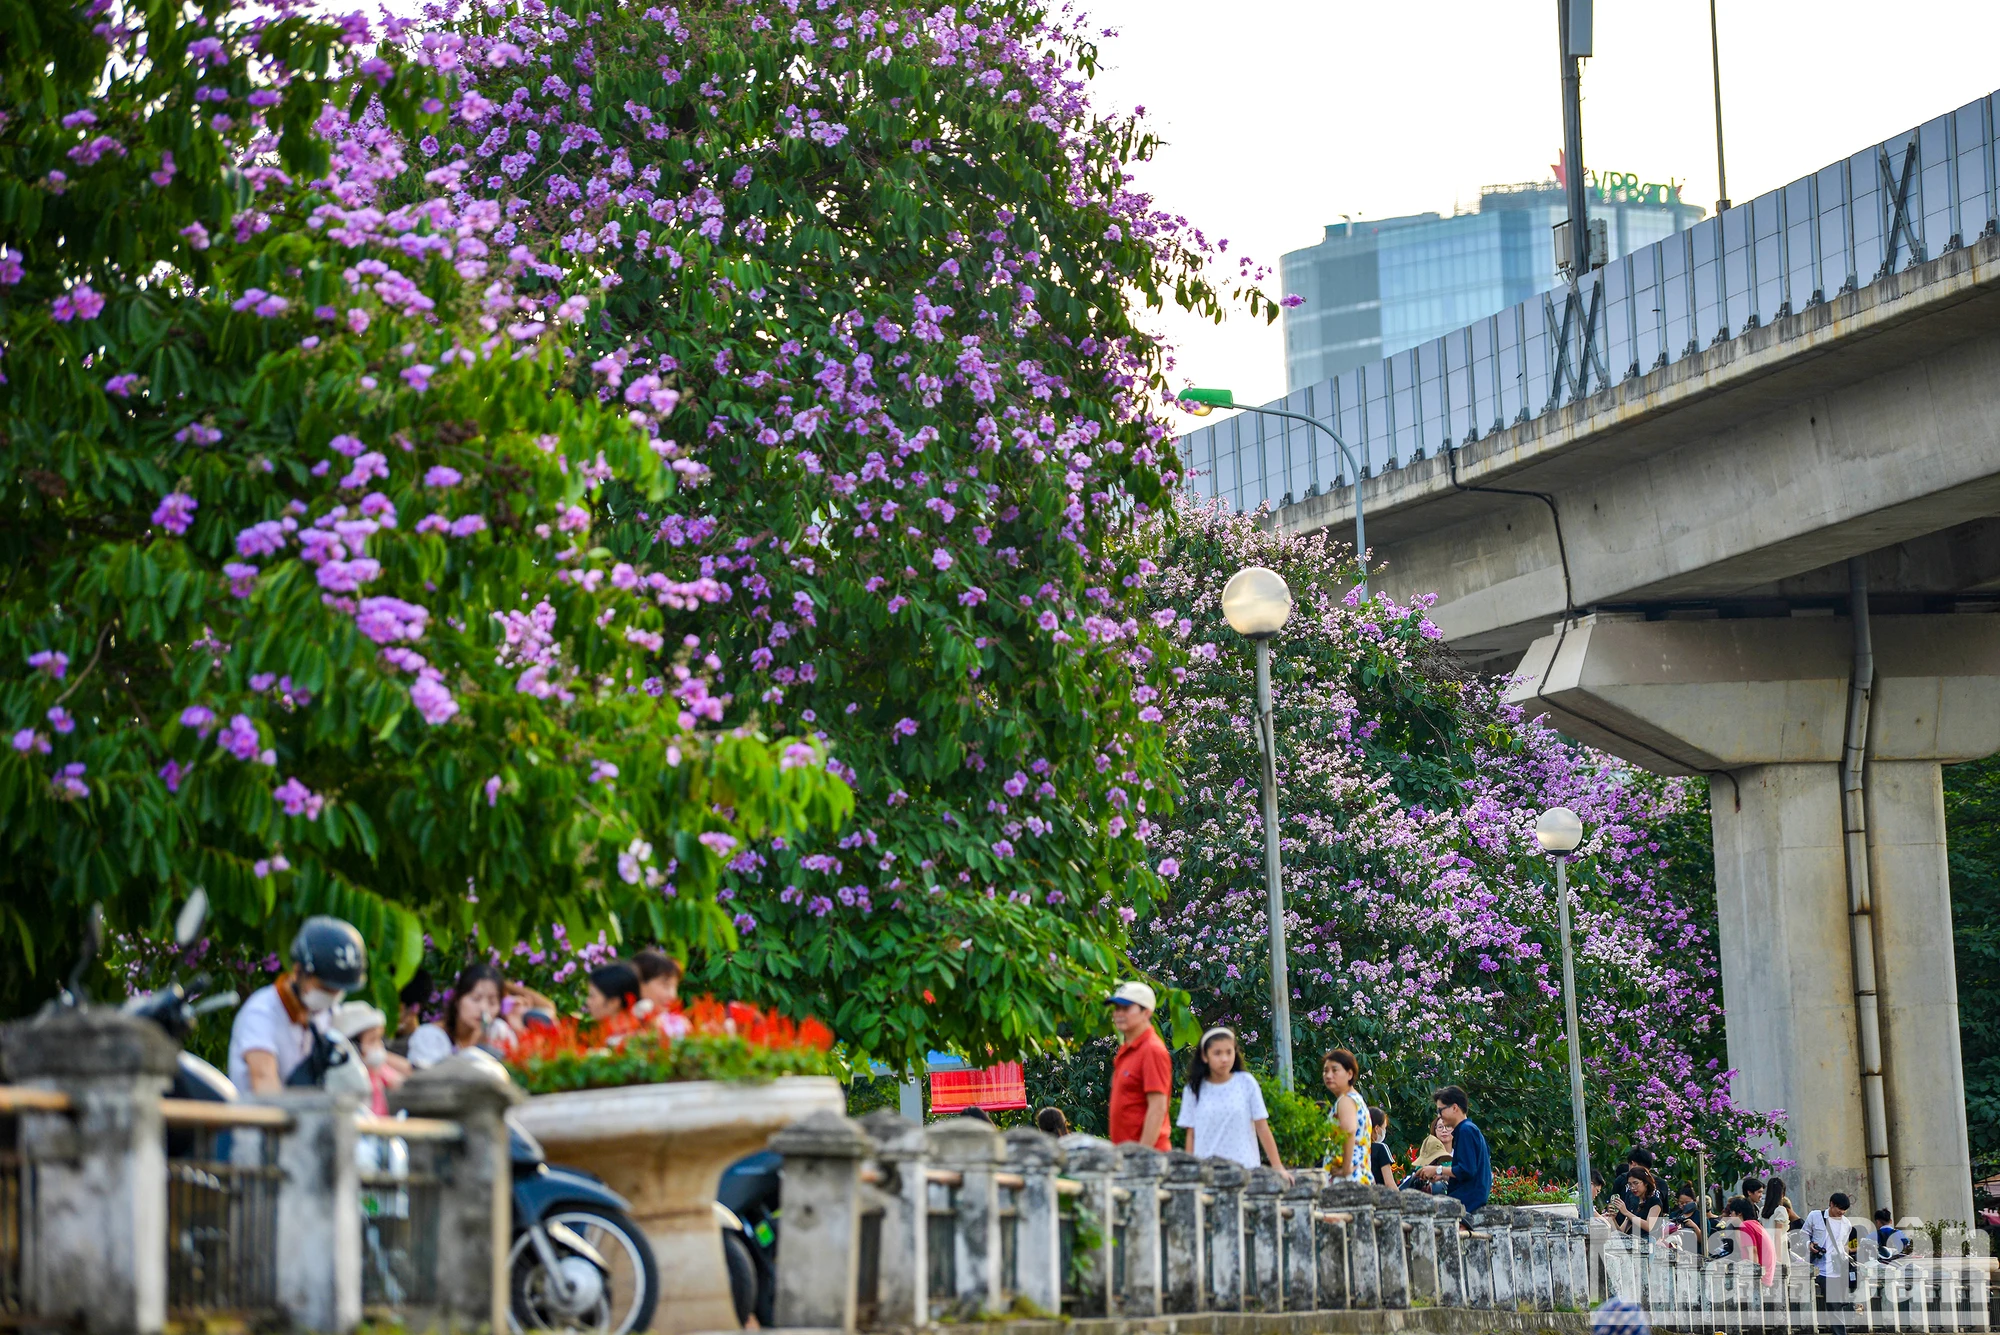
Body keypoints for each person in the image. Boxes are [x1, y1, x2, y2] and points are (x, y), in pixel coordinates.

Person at [227, 917, 366, 1094]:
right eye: (325, 988)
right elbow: (266, 1090)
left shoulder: (324, 1013)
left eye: (337, 991)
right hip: (264, 1120)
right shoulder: (261, 1014)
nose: (331, 997)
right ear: (298, 971)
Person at [1175, 1026, 1289, 1179]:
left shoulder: (1246, 1083)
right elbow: (1191, 1134)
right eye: (1217, 1053)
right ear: (1204, 1056)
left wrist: (1277, 1167)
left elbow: (1262, 1127)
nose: (1224, 1059)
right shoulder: (1193, 1089)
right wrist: (1189, 1173)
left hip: (1245, 1173)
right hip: (1207, 1175)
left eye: (1229, 1052)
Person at [1105, 981, 1172, 1151]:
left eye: (1126, 1009)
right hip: (1125, 1154)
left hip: (1145, 1157)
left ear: (1146, 1012)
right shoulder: (1127, 1048)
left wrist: (1141, 1155)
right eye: (1116, 1008)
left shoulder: (1152, 1050)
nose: (1119, 1014)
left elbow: (1158, 1107)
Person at [407, 962, 512, 1068]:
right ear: (457, 999)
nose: (483, 1008)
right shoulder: (431, 1037)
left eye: (492, 1002)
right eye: (476, 999)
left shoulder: (498, 1032)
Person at [1420, 1084, 1490, 1214]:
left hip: (1467, 1201)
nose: (1439, 1115)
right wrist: (1443, 1177)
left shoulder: (1466, 1130)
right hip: (1471, 1197)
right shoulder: (1468, 1129)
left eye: (1440, 1110)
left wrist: (1437, 1169)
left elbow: (1466, 1170)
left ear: (1454, 1107)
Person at [330, 1001, 406, 1115]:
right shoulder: (343, 1076)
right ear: (353, 1045)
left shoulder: (377, 1070)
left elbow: (401, 1082)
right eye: (372, 1040)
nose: (379, 1046)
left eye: (379, 1039)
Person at [1319, 1049, 1372, 1183]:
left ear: (1349, 1074)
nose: (1328, 1075)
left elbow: (1349, 1130)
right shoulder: (1355, 1098)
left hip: (1347, 1178)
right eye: (1325, 1070)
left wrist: (1346, 1168)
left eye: (1335, 1070)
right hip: (1357, 1175)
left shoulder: (1346, 1100)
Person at [1804, 1191, 1861, 1310]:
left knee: (1836, 1305)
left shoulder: (1847, 1224)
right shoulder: (1815, 1216)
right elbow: (1804, 1233)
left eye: (1844, 1210)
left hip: (1836, 1268)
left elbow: (1842, 1245)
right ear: (1831, 1204)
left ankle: (1838, 1325)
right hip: (1817, 1266)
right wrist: (1809, 1244)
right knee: (1832, 1304)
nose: (1842, 1212)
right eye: (1839, 1208)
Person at [631, 948, 692, 1037]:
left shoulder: (681, 1027)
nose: (673, 995)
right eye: (665, 986)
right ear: (640, 983)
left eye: (675, 987)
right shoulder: (615, 1023)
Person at [1610, 1166, 1666, 1242]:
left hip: (1648, 1244)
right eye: (1630, 1184)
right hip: (1632, 1244)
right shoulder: (1632, 1202)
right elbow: (1621, 1232)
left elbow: (1649, 1226)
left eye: (1636, 1183)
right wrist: (1613, 1219)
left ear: (1645, 1183)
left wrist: (1626, 1212)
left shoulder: (1655, 1202)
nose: (1633, 1187)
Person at [1762, 1174, 1797, 1258]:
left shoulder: (1762, 1210)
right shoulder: (1780, 1210)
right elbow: (1778, 1236)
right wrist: (1778, 1259)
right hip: (1779, 1250)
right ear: (1782, 1193)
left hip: (1766, 1249)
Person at [1368, 1105, 1397, 1187]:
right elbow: (1389, 1183)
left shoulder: (1354, 1148)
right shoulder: (1380, 1148)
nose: (1384, 1131)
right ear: (1376, 1128)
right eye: (1384, 1128)